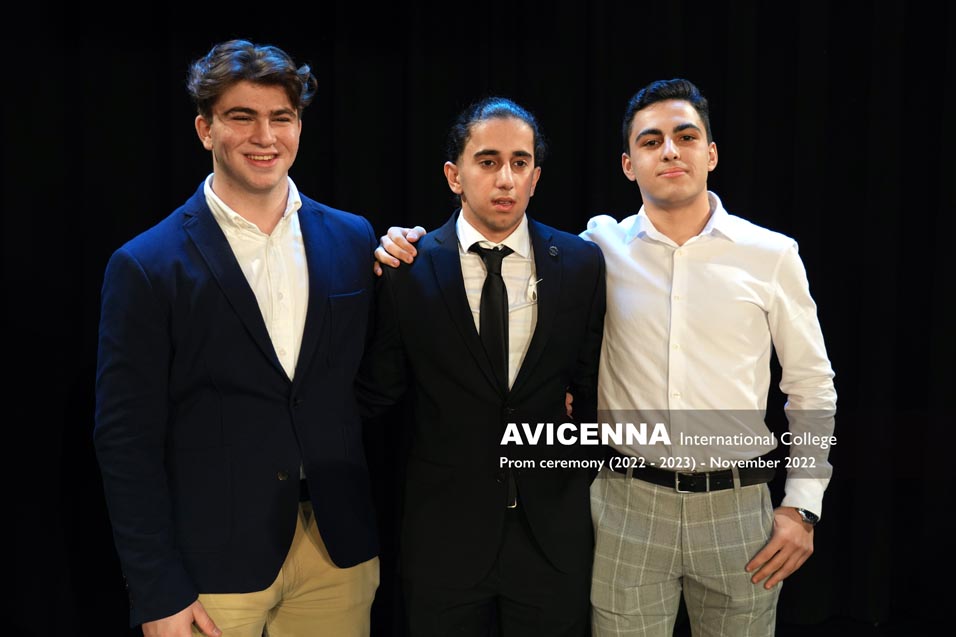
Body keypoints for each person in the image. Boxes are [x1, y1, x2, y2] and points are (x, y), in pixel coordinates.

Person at [376, 78, 837, 636]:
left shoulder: (771, 254)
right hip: (625, 505)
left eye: (686, 137)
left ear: (711, 153)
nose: (670, 151)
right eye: (651, 141)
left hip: (738, 506)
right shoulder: (597, 250)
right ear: (627, 164)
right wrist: (403, 242)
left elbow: (812, 386)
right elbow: (487, 242)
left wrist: (803, 504)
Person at [94, 39, 380, 637]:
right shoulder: (146, 264)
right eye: (242, 117)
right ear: (206, 129)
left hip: (338, 552)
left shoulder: (354, 238)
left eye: (281, 117)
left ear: (299, 126)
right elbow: (125, 440)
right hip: (209, 566)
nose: (265, 136)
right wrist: (157, 590)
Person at [356, 96, 606, 636]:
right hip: (442, 540)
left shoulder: (581, 263)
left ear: (536, 177)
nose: (505, 179)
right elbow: (379, 394)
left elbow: (590, 389)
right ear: (455, 175)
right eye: (488, 161)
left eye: (520, 163)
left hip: (552, 537)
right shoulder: (407, 269)